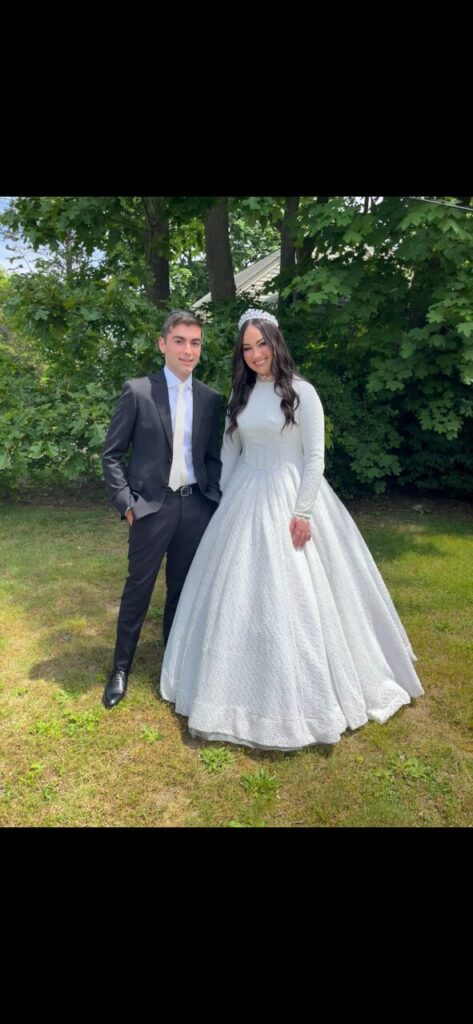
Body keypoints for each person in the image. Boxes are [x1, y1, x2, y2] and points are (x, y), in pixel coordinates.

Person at [160, 308, 424, 749]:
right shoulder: (240, 394)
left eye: (261, 344)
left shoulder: (302, 392)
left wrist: (303, 512)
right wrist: (221, 501)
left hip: (290, 493)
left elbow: (315, 456)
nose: (255, 354)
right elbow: (230, 451)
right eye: (247, 348)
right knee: (236, 589)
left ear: (275, 343)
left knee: (297, 589)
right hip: (245, 494)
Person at [101, 310, 222, 709]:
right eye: (180, 341)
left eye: (195, 342)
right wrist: (127, 504)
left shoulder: (210, 399)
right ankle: (121, 668)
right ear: (163, 344)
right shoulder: (138, 392)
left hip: (195, 508)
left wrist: (211, 498)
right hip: (151, 508)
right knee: (138, 588)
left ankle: (174, 663)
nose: (188, 350)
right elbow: (111, 454)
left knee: (182, 590)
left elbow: (212, 457)